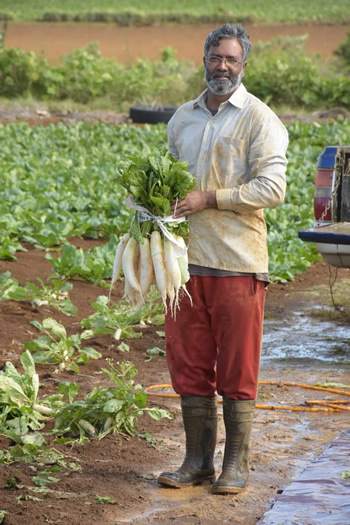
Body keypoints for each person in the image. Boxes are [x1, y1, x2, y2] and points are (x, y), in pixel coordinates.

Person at [157, 23, 288, 495]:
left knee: (236, 366)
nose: (223, 67)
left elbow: (272, 188)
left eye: (232, 59)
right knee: (189, 364)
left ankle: (236, 465)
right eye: (216, 58)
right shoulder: (183, 118)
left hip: (238, 260)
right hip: (184, 265)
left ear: (244, 65)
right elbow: (171, 180)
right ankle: (196, 462)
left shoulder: (259, 119)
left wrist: (209, 198)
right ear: (205, 60)